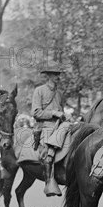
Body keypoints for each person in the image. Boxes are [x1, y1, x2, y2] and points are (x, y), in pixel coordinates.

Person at [31, 61, 69, 196]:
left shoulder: (60, 93)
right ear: (48, 76)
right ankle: (49, 183)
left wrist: (64, 116)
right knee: (48, 154)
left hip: (60, 126)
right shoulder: (39, 90)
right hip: (45, 126)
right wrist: (53, 113)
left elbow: (61, 111)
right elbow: (35, 113)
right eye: (55, 74)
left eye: (58, 74)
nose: (58, 76)